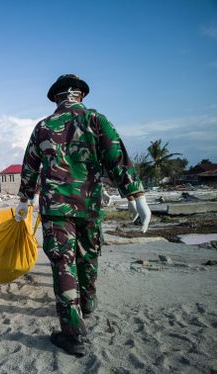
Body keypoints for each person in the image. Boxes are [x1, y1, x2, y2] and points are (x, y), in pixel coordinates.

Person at [16, 74, 151, 356]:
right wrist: (136, 195)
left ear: (56, 98)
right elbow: (117, 157)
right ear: (80, 96)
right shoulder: (96, 120)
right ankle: (87, 304)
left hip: (56, 208)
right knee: (88, 254)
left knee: (63, 263)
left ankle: (73, 335)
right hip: (89, 203)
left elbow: (30, 166)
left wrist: (24, 199)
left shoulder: (44, 126)